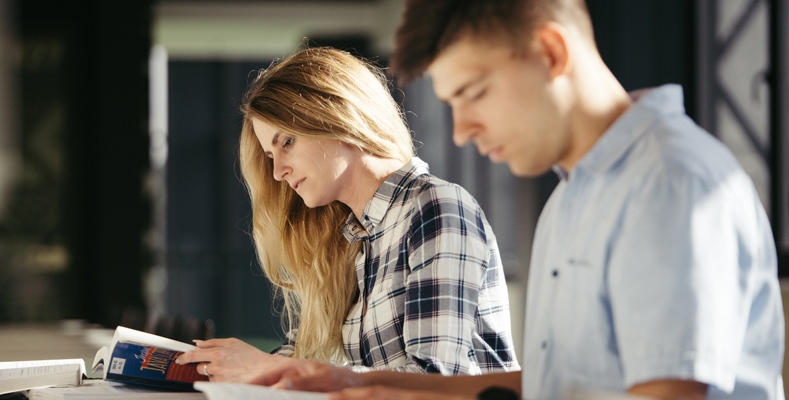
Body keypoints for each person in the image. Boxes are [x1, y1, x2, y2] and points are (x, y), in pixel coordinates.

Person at [248, 1, 786, 399]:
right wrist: (345, 383)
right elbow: (554, 389)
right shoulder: (574, 196)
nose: (461, 132)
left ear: (551, 53)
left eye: (474, 93)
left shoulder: (667, 183)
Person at [175, 46, 517, 382]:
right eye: (270, 155)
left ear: (338, 118)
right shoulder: (349, 238)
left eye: (287, 142)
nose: (278, 172)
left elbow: (438, 380)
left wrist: (271, 371)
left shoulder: (433, 207)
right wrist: (224, 372)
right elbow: (302, 361)